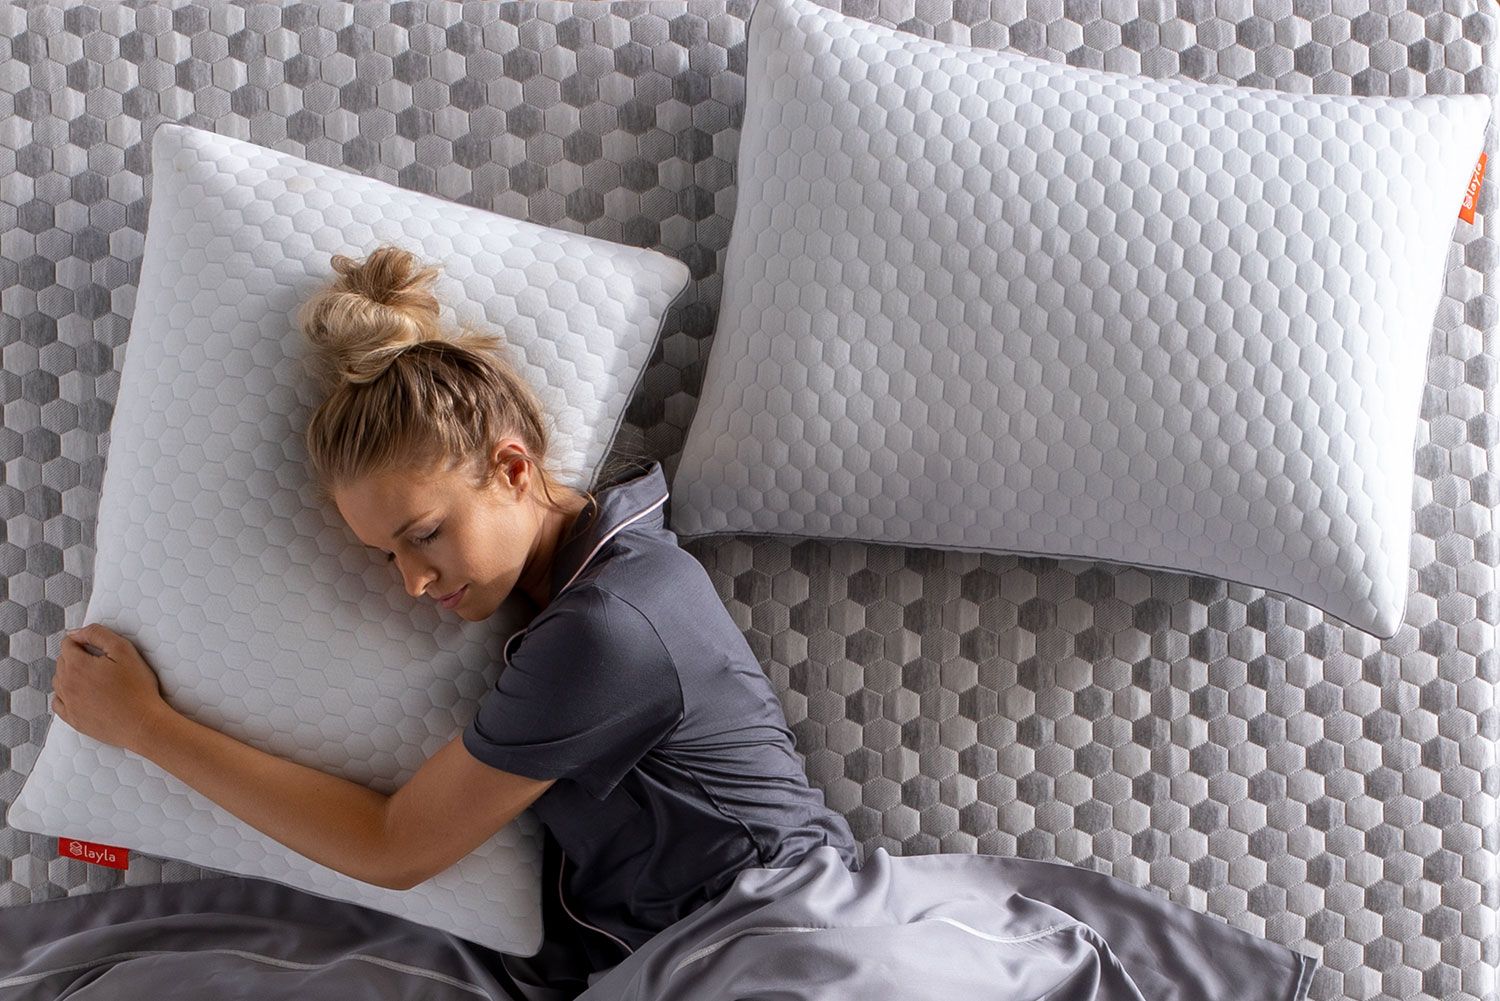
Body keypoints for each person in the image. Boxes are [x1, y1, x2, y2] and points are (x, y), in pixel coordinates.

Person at [49, 244, 858, 999]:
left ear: (511, 469)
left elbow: (394, 845)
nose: (413, 580)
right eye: (385, 556)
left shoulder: (609, 625)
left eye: (425, 533)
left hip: (777, 944)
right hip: (683, 951)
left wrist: (145, 725)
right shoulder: (603, 579)